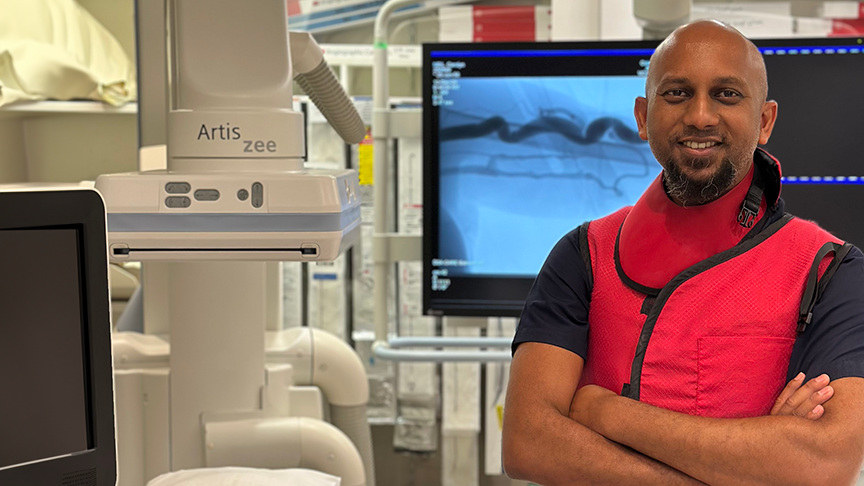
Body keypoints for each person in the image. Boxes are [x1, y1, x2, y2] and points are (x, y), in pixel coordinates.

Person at [502, 19, 864, 486]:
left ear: (766, 121)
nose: (700, 116)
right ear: (641, 116)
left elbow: (826, 461)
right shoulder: (581, 256)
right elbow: (529, 443)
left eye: (727, 94)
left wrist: (605, 411)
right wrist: (753, 463)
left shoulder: (831, 271)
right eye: (676, 93)